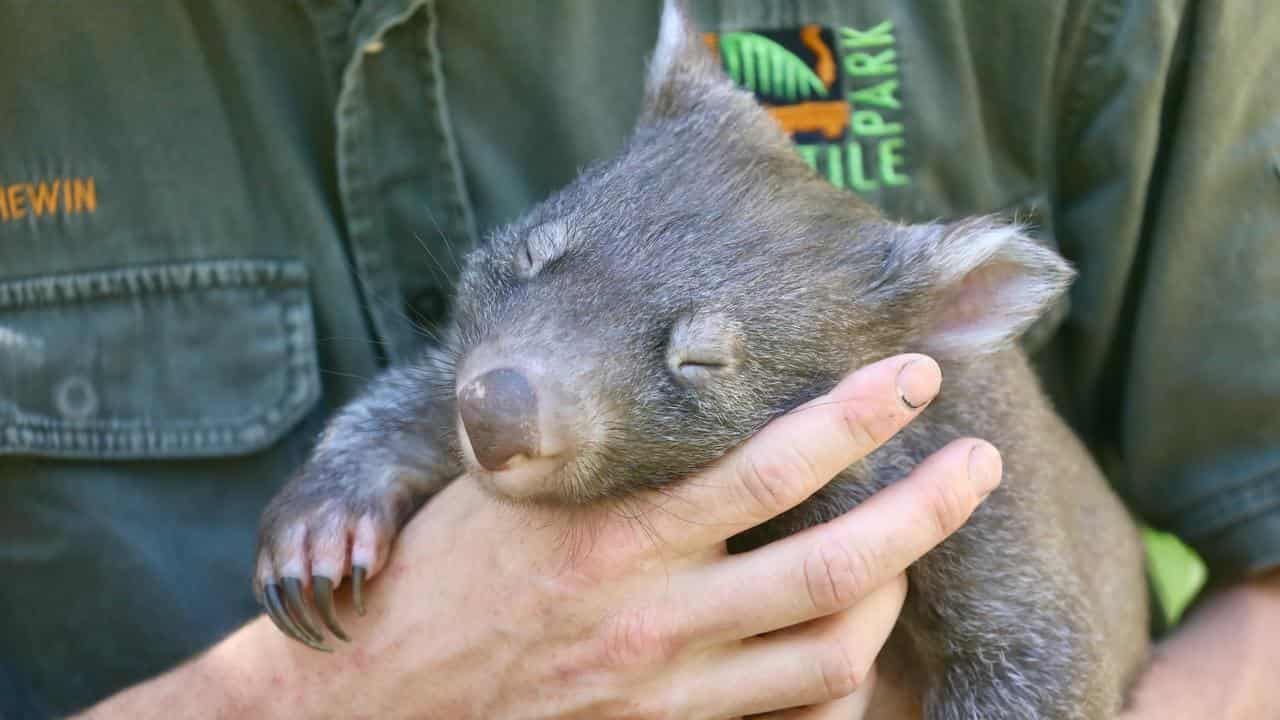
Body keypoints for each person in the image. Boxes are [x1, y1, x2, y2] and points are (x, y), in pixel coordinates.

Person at [1, 1, 1277, 718]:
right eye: (538, 272)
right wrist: (294, 701)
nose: (500, 385)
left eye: (699, 363)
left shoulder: (923, 370)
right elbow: (424, 412)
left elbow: (1040, 657)